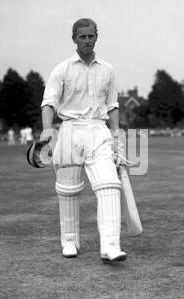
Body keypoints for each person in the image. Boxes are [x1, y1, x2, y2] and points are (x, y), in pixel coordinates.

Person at [40, 18, 127, 263]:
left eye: (90, 36)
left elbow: (113, 105)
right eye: (82, 37)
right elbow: (48, 103)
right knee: (68, 191)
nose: (87, 40)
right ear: (74, 39)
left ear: (96, 37)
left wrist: (117, 134)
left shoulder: (107, 70)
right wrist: (47, 131)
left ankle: (110, 246)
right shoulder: (62, 69)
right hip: (69, 131)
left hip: (99, 131)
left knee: (110, 185)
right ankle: (70, 241)